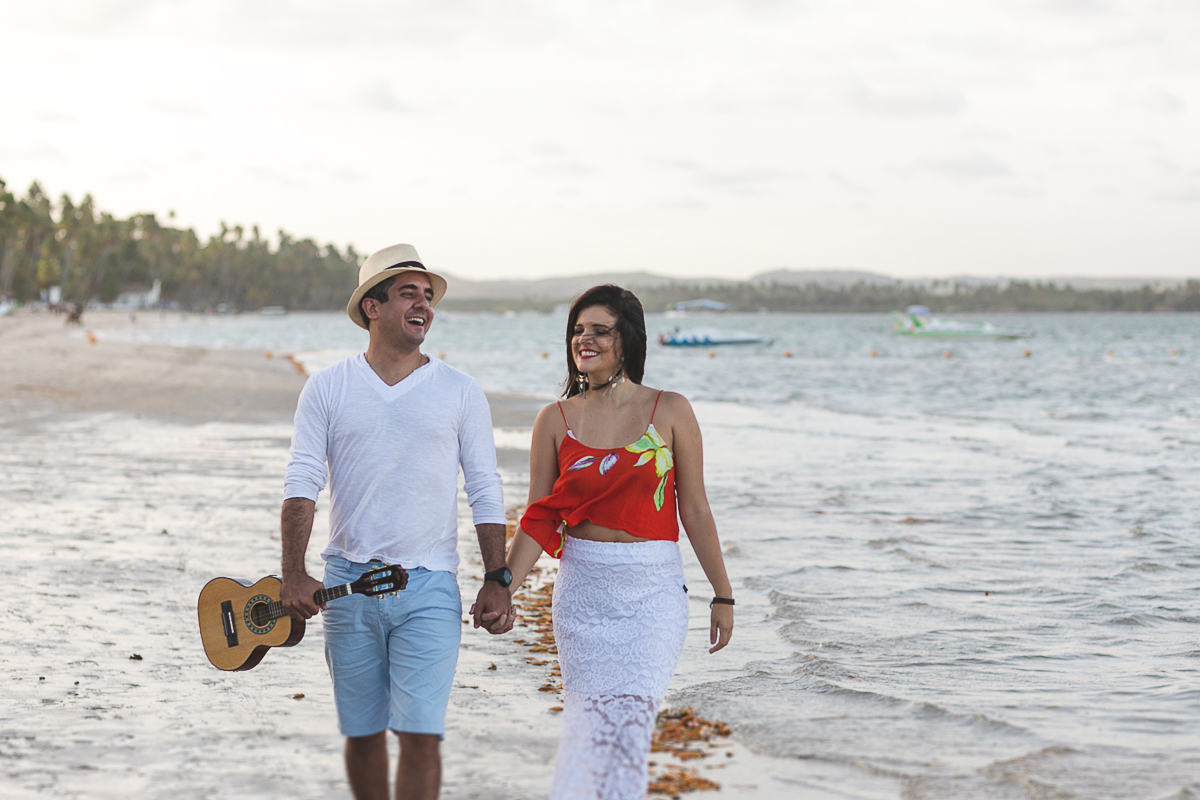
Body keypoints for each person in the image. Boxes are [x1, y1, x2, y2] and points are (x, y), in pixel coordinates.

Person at [280, 243, 514, 800]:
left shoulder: (460, 391)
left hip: (430, 586)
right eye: (408, 293)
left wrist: (497, 578)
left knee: (421, 737)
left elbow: (485, 488)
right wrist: (293, 572)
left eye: (428, 296)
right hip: (345, 587)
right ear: (372, 308)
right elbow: (301, 484)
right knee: (362, 736)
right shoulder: (327, 387)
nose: (423, 305)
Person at [504, 284, 735, 800]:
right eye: (578, 331)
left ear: (626, 341)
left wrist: (722, 593)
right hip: (583, 593)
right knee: (586, 728)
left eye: (600, 330)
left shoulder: (670, 410)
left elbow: (693, 508)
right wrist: (503, 585)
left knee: (631, 723)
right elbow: (540, 518)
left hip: (652, 594)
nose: (585, 339)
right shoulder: (555, 420)